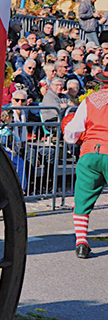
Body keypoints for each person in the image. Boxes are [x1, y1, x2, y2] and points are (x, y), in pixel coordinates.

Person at [64, 67, 108, 259]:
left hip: (90, 152)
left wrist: (74, 140)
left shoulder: (89, 100)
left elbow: (72, 130)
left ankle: (81, 243)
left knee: (82, 200)